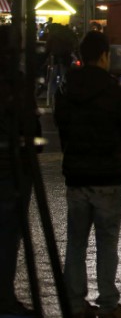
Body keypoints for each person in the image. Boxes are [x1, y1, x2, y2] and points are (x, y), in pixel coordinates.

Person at [54, 31, 121, 318]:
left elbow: (62, 127)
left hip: (77, 177)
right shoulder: (116, 92)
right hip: (109, 178)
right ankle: (108, 304)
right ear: (105, 56)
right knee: (107, 245)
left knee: (76, 244)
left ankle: (74, 304)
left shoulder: (66, 91)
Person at [0, 26, 37, 317]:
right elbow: (30, 130)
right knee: (9, 237)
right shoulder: (17, 82)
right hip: (11, 171)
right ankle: (4, 297)